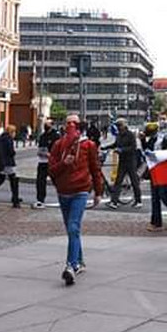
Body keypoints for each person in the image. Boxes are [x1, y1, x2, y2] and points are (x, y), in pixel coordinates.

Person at [47, 114, 104, 285]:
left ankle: (71, 266)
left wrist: (98, 192)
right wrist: (64, 163)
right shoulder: (58, 145)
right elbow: (51, 170)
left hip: (80, 190)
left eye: (74, 123)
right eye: (68, 123)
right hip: (64, 191)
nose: (70, 126)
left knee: (73, 227)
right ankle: (79, 260)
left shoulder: (88, 145)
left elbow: (95, 169)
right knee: (72, 230)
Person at [145, 117, 167, 231]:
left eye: (164, 118)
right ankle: (156, 222)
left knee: (162, 193)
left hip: (164, 165)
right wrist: (143, 140)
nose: (161, 121)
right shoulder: (157, 133)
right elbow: (149, 146)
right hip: (155, 166)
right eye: (160, 119)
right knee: (155, 195)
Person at [108, 118, 143, 209]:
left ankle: (138, 200)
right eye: (117, 125)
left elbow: (133, 147)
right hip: (123, 160)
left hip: (131, 160)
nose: (119, 127)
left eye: (120, 125)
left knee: (134, 181)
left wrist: (121, 150)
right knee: (118, 181)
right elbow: (116, 144)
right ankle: (114, 201)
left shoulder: (130, 134)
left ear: (125, 125)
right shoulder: (119, 135)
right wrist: (105, 147)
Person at [0, 124, 23, 209]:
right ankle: (15, 200)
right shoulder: (8, 140)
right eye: (14, 132)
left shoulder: (1, 138)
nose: (15, 134)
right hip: (8, 163)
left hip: (2, 162)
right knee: (14, 181)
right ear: (11, 132)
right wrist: (13, 153)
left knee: (1, 179)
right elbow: (11, 151)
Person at [33, 117, 58, 209]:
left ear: (52, 125)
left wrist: (51, 155)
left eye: (48, 124)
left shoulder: (56, 136)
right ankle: (40, 199)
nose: (46, 126)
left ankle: (64, 197)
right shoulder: (42, 136)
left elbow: (58, 149)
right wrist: (40, 152)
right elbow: (40, 146)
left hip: (52, 162)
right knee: (40, 181)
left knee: (57, 181)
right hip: (42, 162)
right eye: (45, 124)